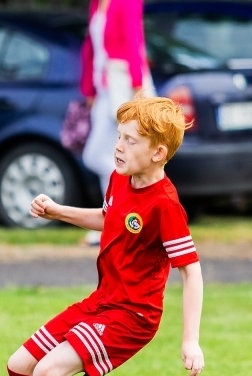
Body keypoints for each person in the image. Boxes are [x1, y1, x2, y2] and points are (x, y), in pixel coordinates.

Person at [6, 94, 204, 376]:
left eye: (130, 140)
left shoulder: (166, 205)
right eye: (119, 136)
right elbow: (109, 217)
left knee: (47, 372)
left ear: (158, 152)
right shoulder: (120, 178)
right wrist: (58, 211)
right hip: (102, 301)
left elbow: (191, 271)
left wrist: (190, 340)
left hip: (132, 316)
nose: (118, 146)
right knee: (20, 366)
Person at [81, 0, 154, 246]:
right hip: (105, 89)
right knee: (104, 156)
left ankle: (125, 217)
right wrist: (89, 89)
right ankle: (115, 218)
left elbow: (134, 41)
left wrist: (137, 87)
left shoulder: (127, 2)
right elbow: (92, 47)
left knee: (113, 156)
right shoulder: (96, 4)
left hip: (123, 88)